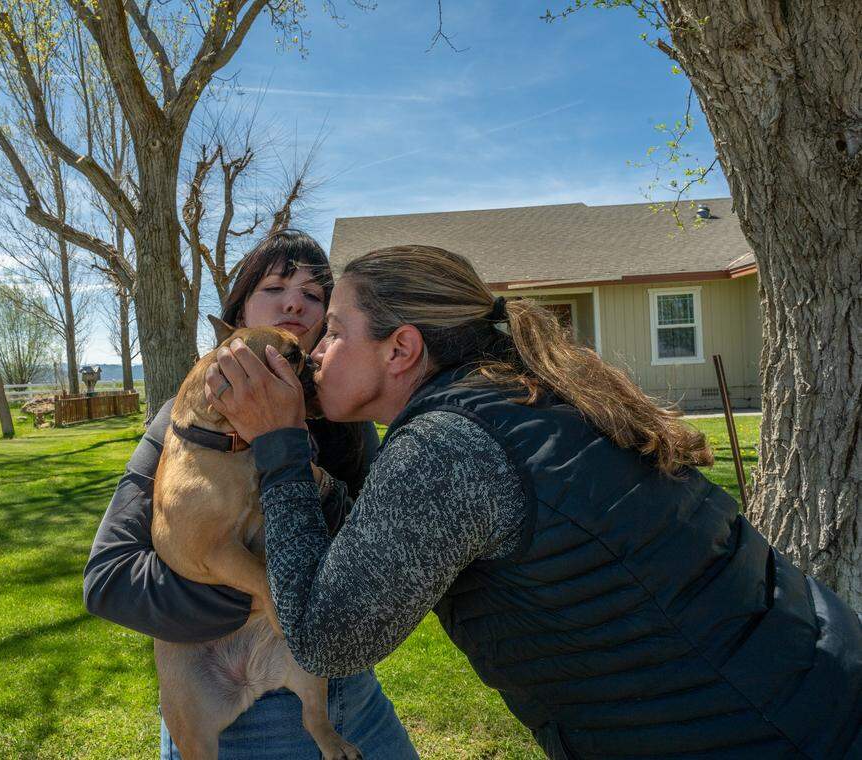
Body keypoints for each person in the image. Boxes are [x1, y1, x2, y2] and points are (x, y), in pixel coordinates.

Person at [204, 245, 862, 760]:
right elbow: (386, 551)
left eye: (334, 333)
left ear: (401, 349)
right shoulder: (515, 397)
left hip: (765, 734)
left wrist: (282, 448)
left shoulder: (448, 446)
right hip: (808, 685)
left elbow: (327, 638)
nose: (314, 353)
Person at [83, 230, 418, 759]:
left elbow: (382, 561)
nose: (295, 302)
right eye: (276, 286)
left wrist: (303, 470)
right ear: (238, 317)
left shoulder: (348, 419)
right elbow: (109, 580)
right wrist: (253, 596)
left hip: (346, 700)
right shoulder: (186, 419)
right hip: (228, 716)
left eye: (314, 295)